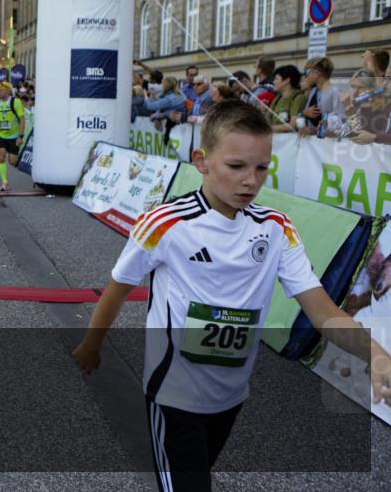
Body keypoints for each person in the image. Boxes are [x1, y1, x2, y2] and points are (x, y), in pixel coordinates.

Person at [73, 99, 391, 491]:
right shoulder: (165, 223)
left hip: (230, 397)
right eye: (236, 167)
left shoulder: (277, 229)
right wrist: (92, 345)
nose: (250, 181)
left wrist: (376, 354)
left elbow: (323, 313)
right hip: (173, 396)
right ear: (201, 161)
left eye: (262, 168)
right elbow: (118, 289)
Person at [0, 81, 26, 192]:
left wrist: (20, 136)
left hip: (14, 136)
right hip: (0, 135)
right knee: (1, 156)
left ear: (7, 90)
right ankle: (4, 182)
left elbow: (22, 120)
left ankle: (15, 156)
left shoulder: (16, 102)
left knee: (12, 161)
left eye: (1, 90)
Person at [299, 57, 345, 135]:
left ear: (317, 74)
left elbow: (342, 121)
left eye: (307, 72)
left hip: (329, 144)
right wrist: (305, 113)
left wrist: (316, 130)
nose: (305, 76)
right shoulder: (313, 91)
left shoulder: (335, 92)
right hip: (315, 143)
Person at [268, 65, 306, 132]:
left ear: (286, 80)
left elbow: (293, 125)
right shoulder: (277, 99)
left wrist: (269, 128)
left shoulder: (298, 97)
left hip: (290, 140)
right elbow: (267, 120)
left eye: (276, 79)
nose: (273, 82)